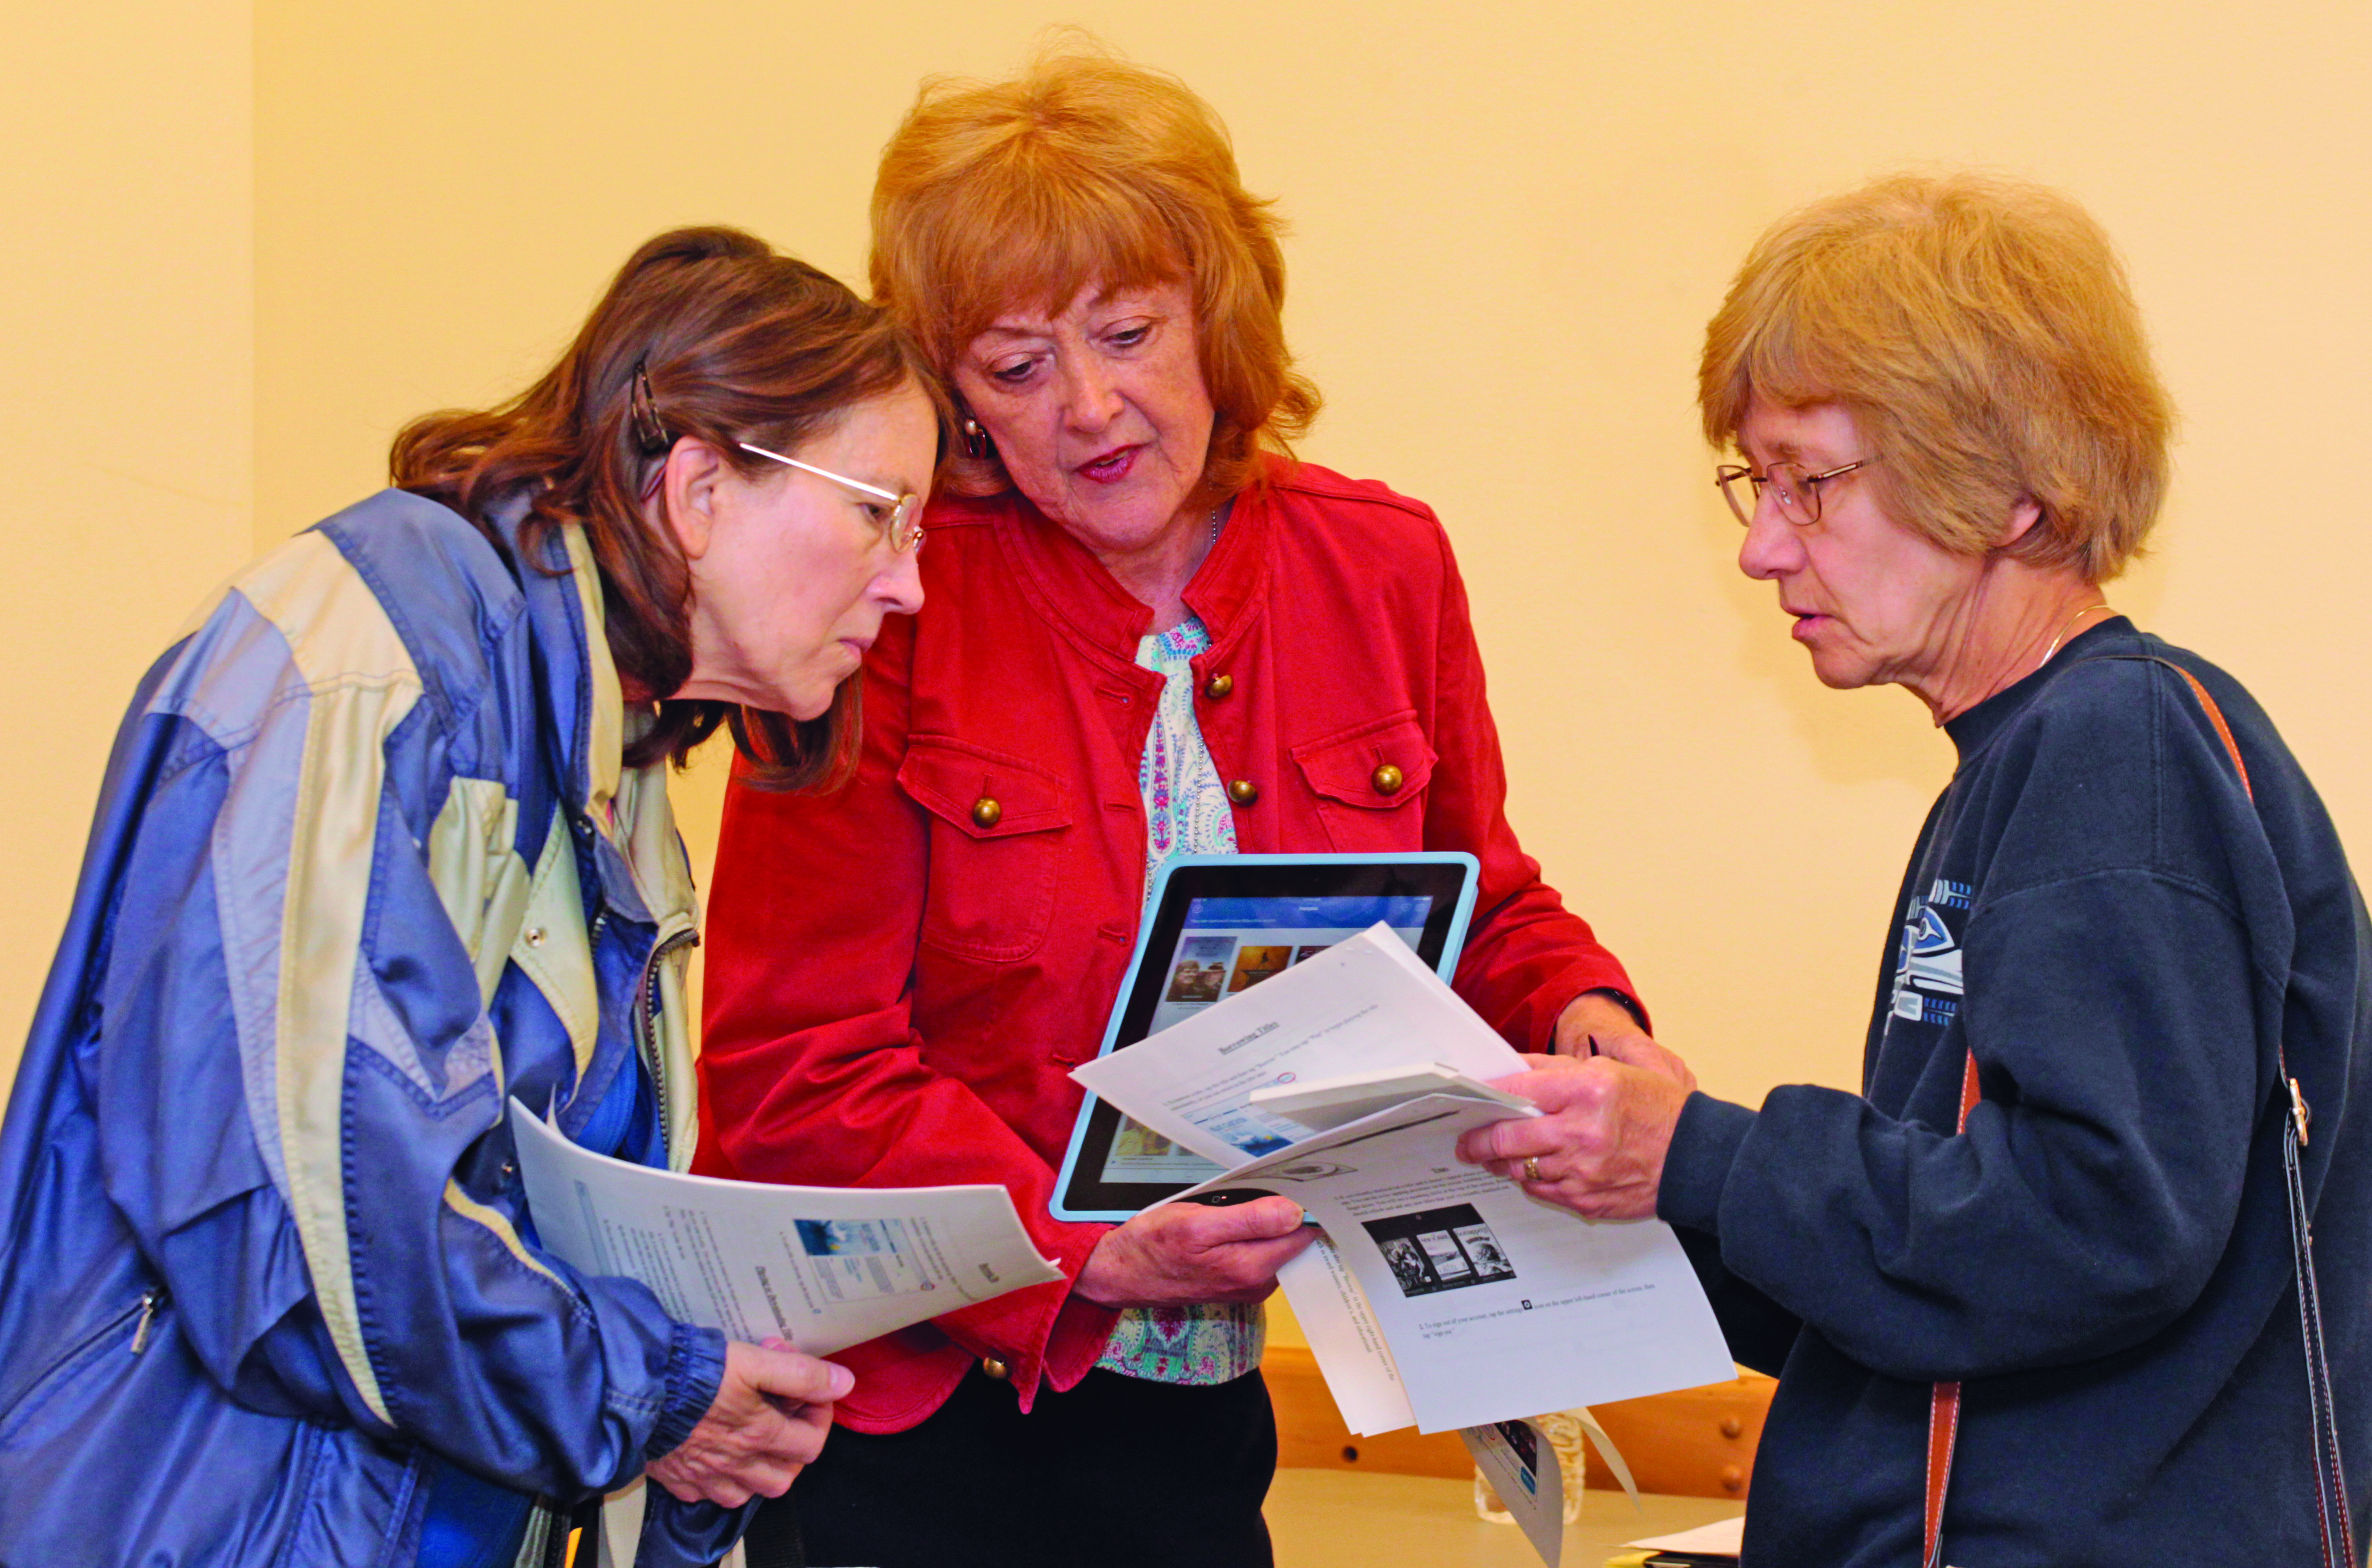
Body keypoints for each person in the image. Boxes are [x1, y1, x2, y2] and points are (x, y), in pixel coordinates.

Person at [693, 49, 1653, 1568]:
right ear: (952, 401)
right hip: (921, 1412)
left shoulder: (1380, 564)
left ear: (1223, 312)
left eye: (1132, 333)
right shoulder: (890, 598)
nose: (1090, 407)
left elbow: (1478, 905)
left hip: (1204, 1404)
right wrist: (1082, 1249)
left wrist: (1577, 1002)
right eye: (1015, 367)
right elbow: (791, 1070)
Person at [1460, 173, 2372, 1564]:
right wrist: (1666, 1181)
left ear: (2006, 483)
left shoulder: (2114, 751)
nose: (1764, 548)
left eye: (1809, 482)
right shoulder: (2030, 760)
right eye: (1753, 487)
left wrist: (1709, 1159)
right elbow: (1953, 1279)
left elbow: (2102, 1227)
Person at [0, 227, 936, 1567]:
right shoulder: (374, 664)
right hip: (194, 1516)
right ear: (699, 487)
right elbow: (303, 1222)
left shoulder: (621, 762)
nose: (906, 580)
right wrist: (656, 1394)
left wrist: (697, 1422)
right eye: (877, 511)